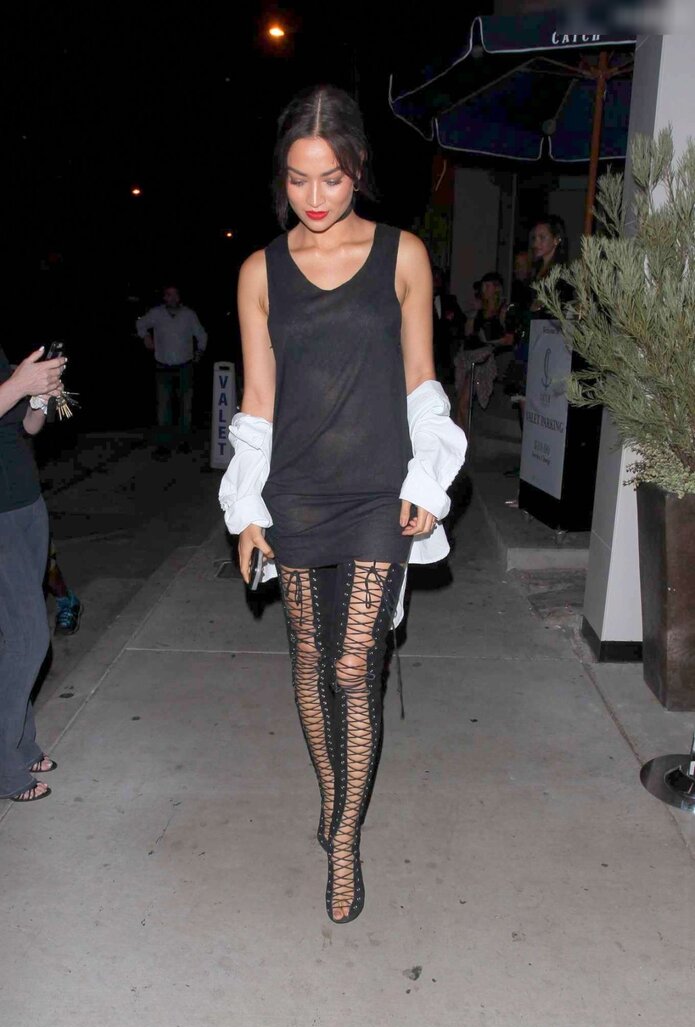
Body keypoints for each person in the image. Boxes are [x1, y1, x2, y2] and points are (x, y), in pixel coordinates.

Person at [219, 85, 467, 924]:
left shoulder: (402, 255)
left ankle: (346, 843)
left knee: (353, 667)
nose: (314, 196)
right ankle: (331, 795)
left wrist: (428, 477)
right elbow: (257, 402)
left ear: (357, 169)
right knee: (307, 658)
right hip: (293, 489)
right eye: (297, 179)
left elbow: (421, 382)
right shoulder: (259, 272)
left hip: (375, 491)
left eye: (330, 177)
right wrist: (246, 508)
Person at [0, 343, 66, 802]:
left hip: (26, 502)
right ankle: (4, 769)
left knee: (16, 639)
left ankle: (21, 745)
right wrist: (20, 383)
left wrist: (38, 395)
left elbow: (26, 427)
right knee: (29, 638)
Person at [136, 285, 207, 458]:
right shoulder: (156, 313)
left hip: (185, 366)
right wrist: (145, 336)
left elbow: (201, 335)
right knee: (163, 408)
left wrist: (199, 352)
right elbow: (140, 323)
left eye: (175, 294)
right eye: (169, 294)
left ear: (179, 297)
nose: (172, 298)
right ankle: (164, 445)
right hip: (163, 367)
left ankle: (184, 442)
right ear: (164, 297)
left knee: (186, 407)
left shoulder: (189, 315)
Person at [456, 272, 514, 432]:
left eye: (488, 286)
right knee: (461, 401)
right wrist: (473, 315)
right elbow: (468, 333)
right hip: (467, 356)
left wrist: (489, 342)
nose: (484, 289)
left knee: (464, 402)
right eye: (483, 286)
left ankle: (464, 440)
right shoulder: (480, 310)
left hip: (484, 359)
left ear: (496, 288)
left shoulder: (503, 310)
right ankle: (461, 438)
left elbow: (509, 339)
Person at [432, 266, 464, 388]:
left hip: (445, 348)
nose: (436, 280)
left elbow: (461, 320)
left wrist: (452, 321)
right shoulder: (419, 300)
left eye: (438, 277)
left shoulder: (449, 300)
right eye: (433, 276)